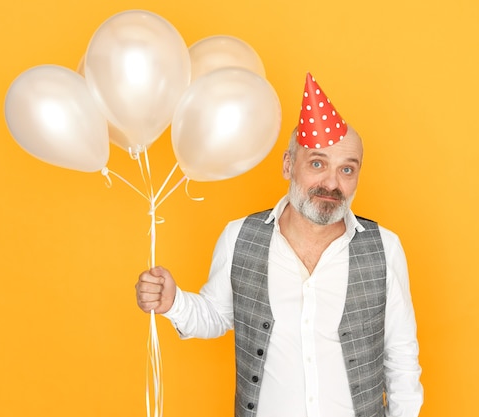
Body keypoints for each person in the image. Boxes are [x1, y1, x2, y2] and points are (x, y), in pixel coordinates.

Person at [135, 73, 423, 417]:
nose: (331, 183)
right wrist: (174, 302)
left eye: (347, 170)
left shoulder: (384, 248)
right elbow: (216, 315)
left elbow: (401, 359)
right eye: (317, 164)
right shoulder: (240, 236)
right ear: (289, 165)